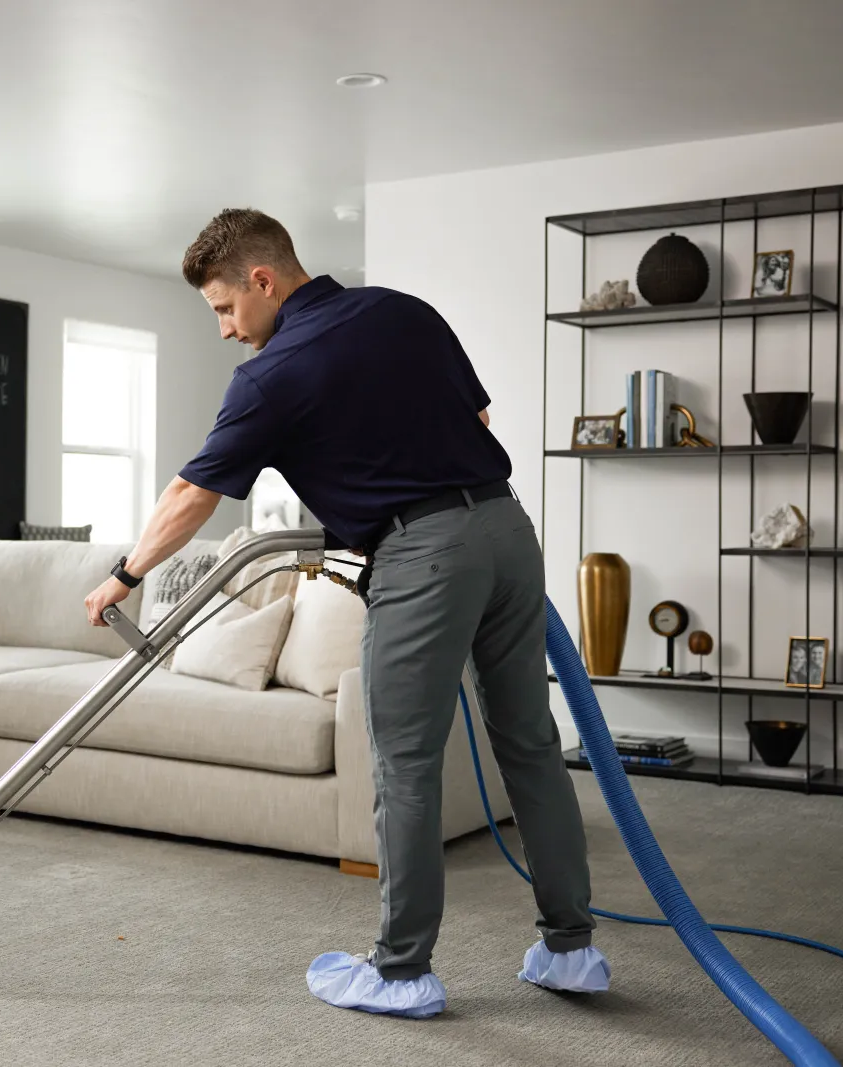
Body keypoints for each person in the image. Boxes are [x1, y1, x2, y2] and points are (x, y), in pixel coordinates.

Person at [83, 207, 609, 1018]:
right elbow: (476, 423)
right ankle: (570, 949)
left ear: (263, 281)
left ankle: (401, 971)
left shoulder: (270, 373)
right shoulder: (405, 310)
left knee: (402, 764)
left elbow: (195, 492)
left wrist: (124, 575)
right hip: (509, 532)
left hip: (423, 554)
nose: (225, 330)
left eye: (225, 308)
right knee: (531, 745)